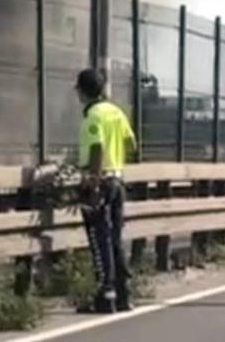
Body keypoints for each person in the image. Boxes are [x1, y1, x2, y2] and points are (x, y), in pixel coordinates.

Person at [75, 68, 135, 314]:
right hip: (118, 181)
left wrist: (93, 179)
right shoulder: (116, 112)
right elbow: (131, 144)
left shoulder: (93, 116)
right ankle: (123, 295)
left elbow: (97, 148)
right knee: (115, 239)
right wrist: (117, 161)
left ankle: (105, 296)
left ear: (82, 91)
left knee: (100, 241)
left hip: (100, 184)